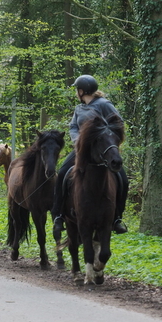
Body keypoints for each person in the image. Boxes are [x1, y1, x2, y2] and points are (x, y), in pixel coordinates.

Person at [51, 74, 129, 237]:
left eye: (76, 90)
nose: (75, 93)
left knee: (122, 179)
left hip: (102, 150)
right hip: (81, 150)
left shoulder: (104, 104)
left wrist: (107, 138)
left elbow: (118, 123)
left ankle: (117, 219)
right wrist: (78, 141)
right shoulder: (79, 108)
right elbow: (73, 126)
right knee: (63, 174)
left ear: (82, 91)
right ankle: (58, 215)